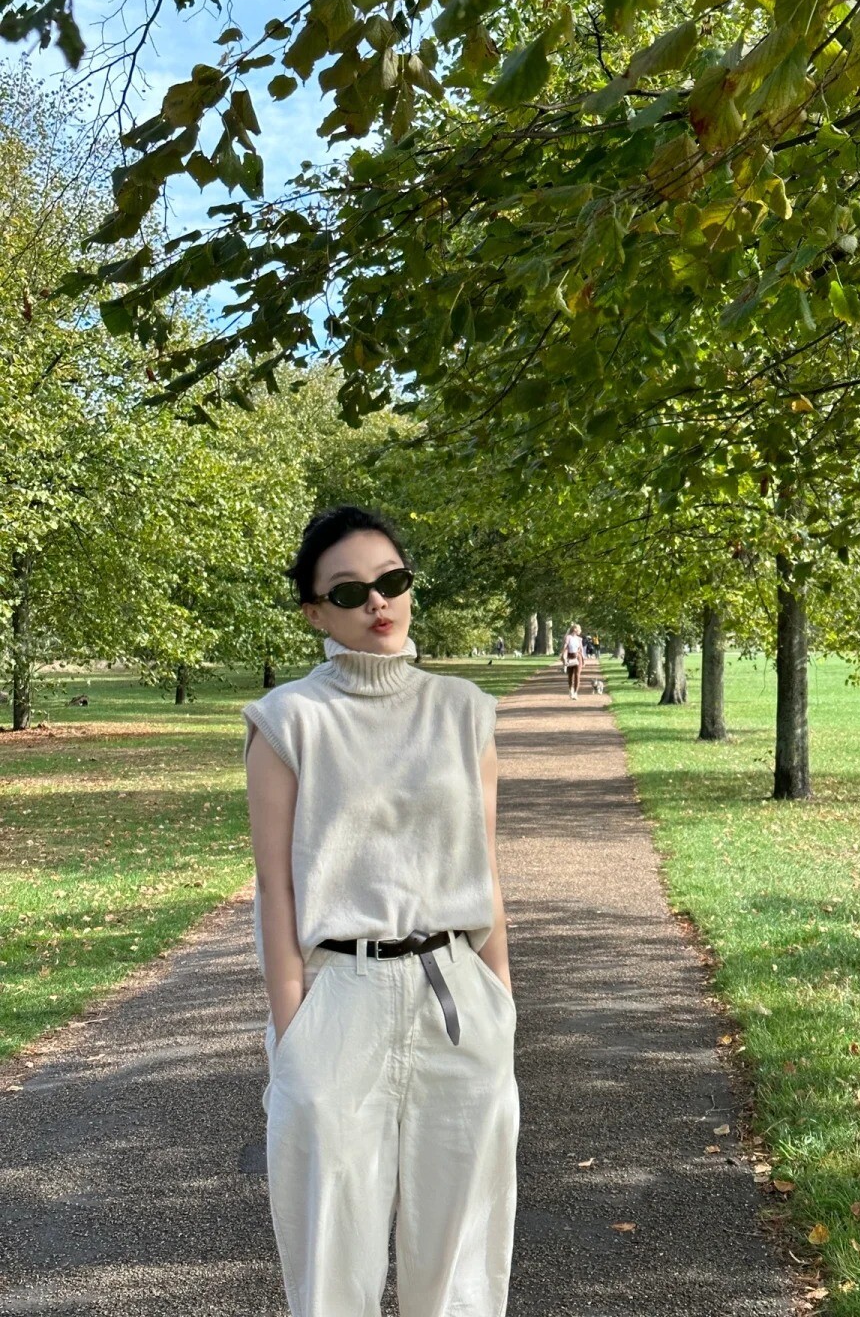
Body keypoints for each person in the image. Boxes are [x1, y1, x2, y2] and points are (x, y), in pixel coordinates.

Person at [243, 505, 518, 1317]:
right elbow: (275, 889)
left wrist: (499, 998)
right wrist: (295, 1031)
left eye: (391, 581)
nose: (377, 603)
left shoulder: (465, 710)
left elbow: (486, 865)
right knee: (332, 1260)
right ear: (315, 611)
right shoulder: (289, 721)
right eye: (351, 589)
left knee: (463, 1257)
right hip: (340, 999)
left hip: (457, 998)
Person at [560, 623, 585, 699]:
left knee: (577, 675)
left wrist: (583, 660)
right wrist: (562, 655)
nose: (580, 631)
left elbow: (581, 649)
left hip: (578, 657)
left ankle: (575, 693)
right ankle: (571, 689)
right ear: (575, 629)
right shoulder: (568, 637)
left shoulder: (579, 639)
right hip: (570, 657)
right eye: (579, 629)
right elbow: (565, 646)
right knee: (570, 675)